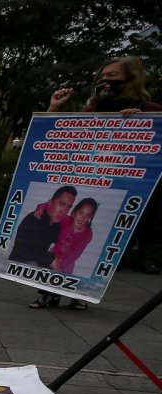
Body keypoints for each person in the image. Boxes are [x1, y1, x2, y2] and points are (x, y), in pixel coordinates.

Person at [49, 56, 162, 274]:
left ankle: (143, 257)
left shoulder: (149, 109)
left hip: (134, 184)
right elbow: (55, 136)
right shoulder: (90, 112)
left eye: (112, 76)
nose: (105, 81)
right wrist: (54, 108)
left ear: (130, 79)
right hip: (97, 179)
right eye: (101, 77)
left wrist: (147, 120)